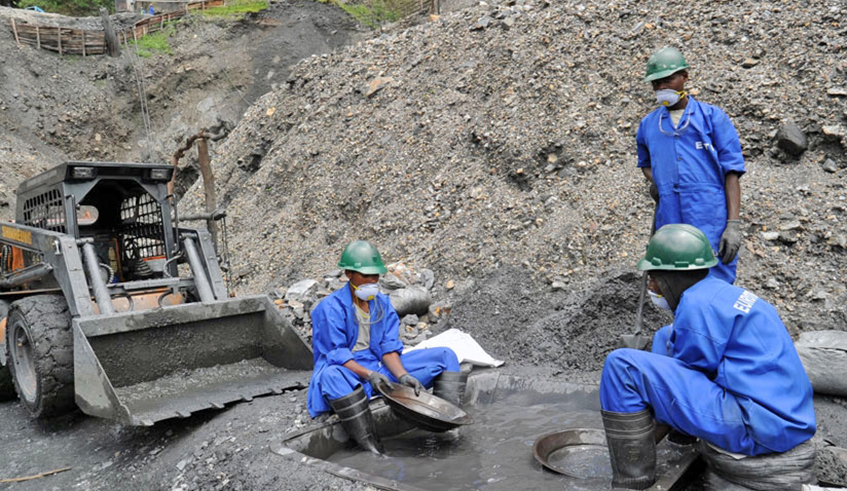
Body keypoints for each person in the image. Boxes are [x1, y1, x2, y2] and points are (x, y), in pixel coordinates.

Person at [599, 224, 816, 490]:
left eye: (655, 277)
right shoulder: (720, 294)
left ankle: (632, 480)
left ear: (673, 276)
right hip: (783, 416)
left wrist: (638, 439)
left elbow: (690, 373)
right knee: (665, 337)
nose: (653, 286)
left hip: (757, 427)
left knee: (622, 365)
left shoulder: (695, 306)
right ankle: (682, 439)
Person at [307, 240, 465, 453]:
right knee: (331, 377)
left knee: (445, 355)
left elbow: (388, 348)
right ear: (349, 274)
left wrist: (401, 376)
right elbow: (337, 354)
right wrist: (368, 374)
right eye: (366, 276)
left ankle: (446, 424)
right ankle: (370, 445)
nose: (373, 281)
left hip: (378, 369)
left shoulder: (381, 303)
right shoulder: (330, 308)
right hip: (349, 373)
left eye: (376, 276)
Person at [637, 47, 745, 284]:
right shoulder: (648, 126)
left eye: (668, 80)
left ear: (685, 77)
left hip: (709, 214)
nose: (661, 88)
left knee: (716, 277)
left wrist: (733, 225)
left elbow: (732, 172)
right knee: (675, 281)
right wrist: (659, 182)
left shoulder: (712, 117)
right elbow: (645, 164)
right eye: (656, 83)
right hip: (670, 217)